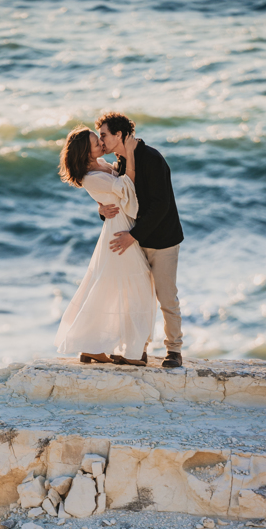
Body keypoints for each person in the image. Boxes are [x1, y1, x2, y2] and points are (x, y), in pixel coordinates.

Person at [55, 126, 157, 366]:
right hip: (118, 233)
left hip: (121, 226)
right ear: (85, 152)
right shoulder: (91, 177)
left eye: (98, 138)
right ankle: (125, 351)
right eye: (95, 142)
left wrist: (101, 207)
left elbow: (115, 195)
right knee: (133, 285)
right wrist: (130, 153)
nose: (101, 143)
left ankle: (94, 347)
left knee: (116, 287)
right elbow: (127, 188)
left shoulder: (100, 163)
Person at [95, 111, 184, 369]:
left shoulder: (152, 158)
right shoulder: (121, 162)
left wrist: (133, 236)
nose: (101, 142)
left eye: (103, 135)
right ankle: (138, 351)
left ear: (119, 135)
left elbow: (161, 205)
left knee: (166, 297)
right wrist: (101, 210)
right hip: (136, 240)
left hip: (163, 240)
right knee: (138, 298)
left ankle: (174, 351)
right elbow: (120, 201)